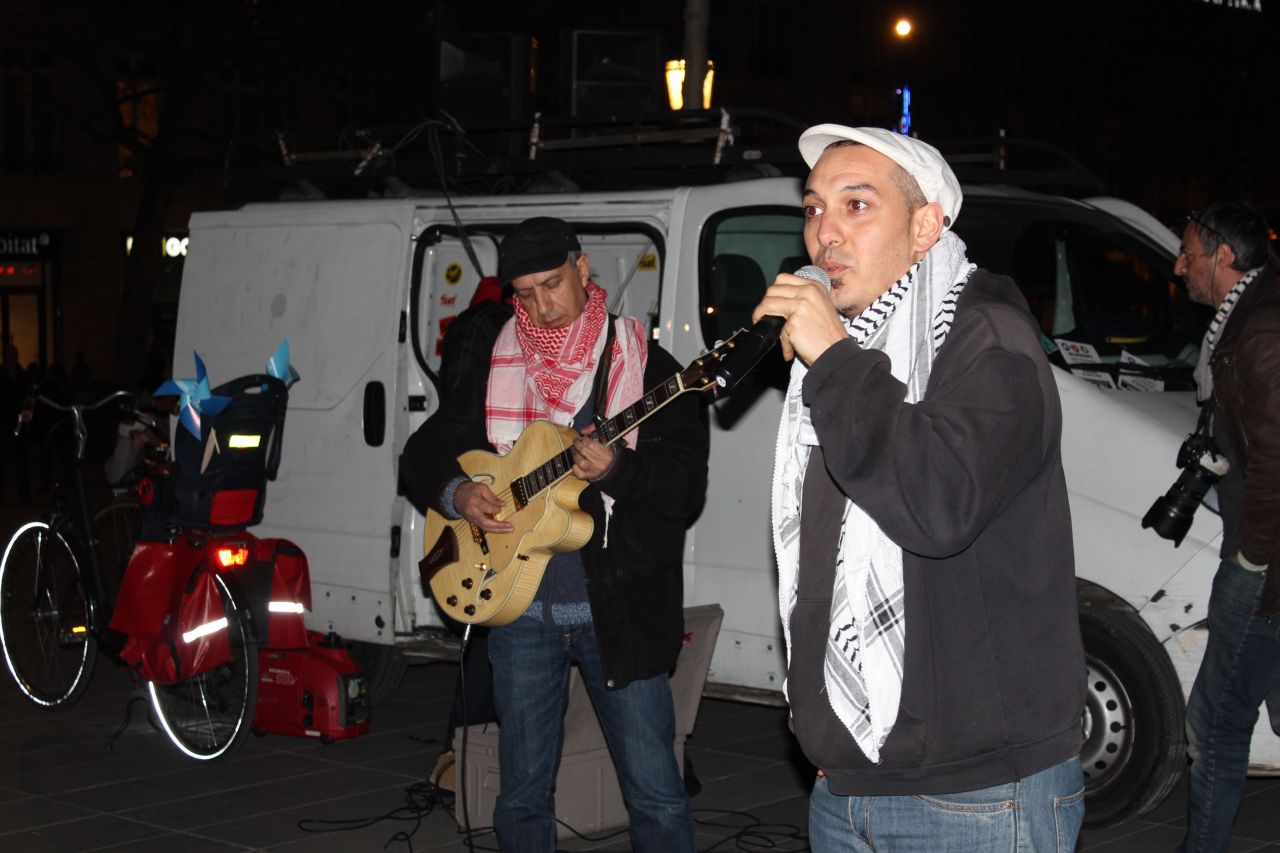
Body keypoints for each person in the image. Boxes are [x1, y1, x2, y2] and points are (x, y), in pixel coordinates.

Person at [752, 125, 1086, 851]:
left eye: (857, 205)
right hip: (850, 779)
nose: (825, 232)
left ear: (926, 227)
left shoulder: (987, 338)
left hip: (977, 792)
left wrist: (834, 360)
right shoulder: (853, 350)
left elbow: (936, 508)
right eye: (813, 208)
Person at [400, 217, 707, 852]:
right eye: (525, 293)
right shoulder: (497, 364)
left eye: (552, 284)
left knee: (655, 791)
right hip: (519, 612)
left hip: (618, 614)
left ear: (582, 268)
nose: (542, 307)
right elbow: (421, 455)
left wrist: (619, 470)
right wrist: (459, 494)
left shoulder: (648, 366)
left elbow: (684, 490)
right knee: (520, 795)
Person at [1176, 200, 1280, 853]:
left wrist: (1251, 557)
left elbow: (1276, 457)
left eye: (1188, 253)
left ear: (1223, 257)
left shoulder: (1262, 329)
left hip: (1264, 567)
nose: (1178, 266)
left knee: (1215, 720)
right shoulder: (1247, 318)